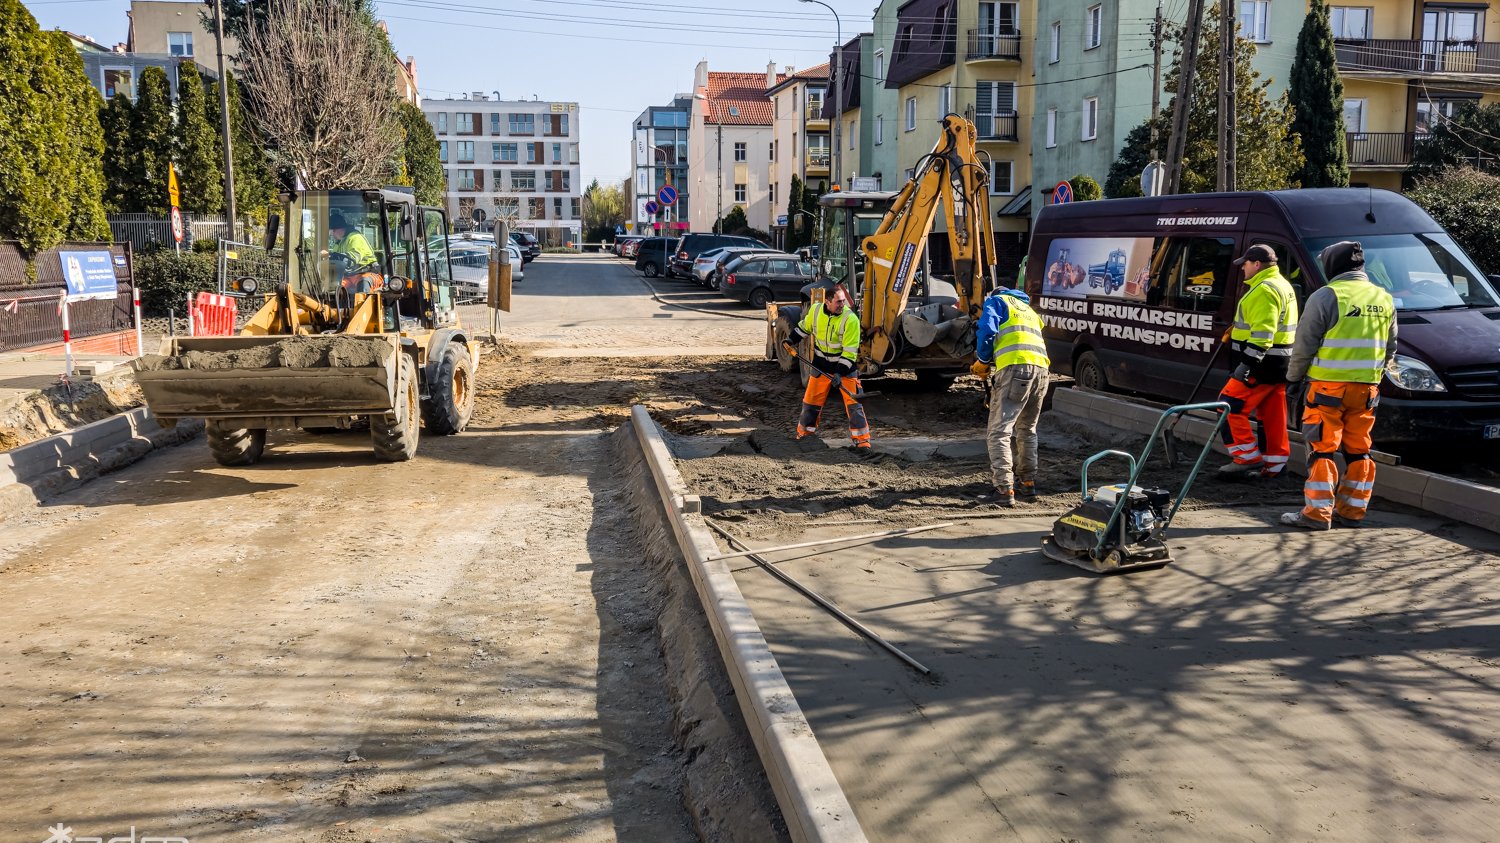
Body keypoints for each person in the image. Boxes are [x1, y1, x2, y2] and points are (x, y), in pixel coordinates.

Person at [1281, 241, 1397, 530]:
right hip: (1366, 390)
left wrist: (1293, 380)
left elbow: (1304, 347)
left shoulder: (1327, 296)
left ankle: (1316, 514)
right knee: (1359, 451)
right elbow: (1390, 348)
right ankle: (1352, 511)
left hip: (1326, 389)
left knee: (1322, 449)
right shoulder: (1383, 298)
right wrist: (1374, 377)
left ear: (1333, 266)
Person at [1217, 244, 1300, 480]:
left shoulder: (1264, 289)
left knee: (1228, 405)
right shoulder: (1282, 285)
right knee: (1271, 414)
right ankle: (1275, 464)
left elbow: (1264, 332)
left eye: (1245, 263)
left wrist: (1246, 364)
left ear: (1256, 264)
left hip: (1260, 365)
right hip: (1280, 365)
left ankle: (1246, 457)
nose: (1242, 268)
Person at [971, 286, 1050, 506]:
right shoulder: (1028, 310)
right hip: (1041, 370)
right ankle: (1028, 483)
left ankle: (1004, 490)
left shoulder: (997, 302)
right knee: (1027, 429)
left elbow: (987, 330)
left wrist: (983, 361)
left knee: (999, 431)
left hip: (1016, 369)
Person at [784, 284, 871, 449]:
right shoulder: (816, 311)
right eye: (839, 302)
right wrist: (790, 340)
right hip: (821, 366)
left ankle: (862, 441)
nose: (842, 305)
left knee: (854, 404)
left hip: (844, 368)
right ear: (827, 302)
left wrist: (839, 374)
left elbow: (850, 353)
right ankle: (804, 436)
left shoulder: (850, 319)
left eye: (844, 301)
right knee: (810, 403)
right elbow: (804, 327)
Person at [327, 210, 380, 293]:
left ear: (336, 229)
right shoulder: (340, 242)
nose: (331, 236)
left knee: (364, 282)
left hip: (366, 273)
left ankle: (362, 305)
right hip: (350, 276)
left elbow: (352, 259)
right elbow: (334, 259)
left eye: (331, 233)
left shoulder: (355, 237)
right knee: (334, 287)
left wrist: (331, 256)